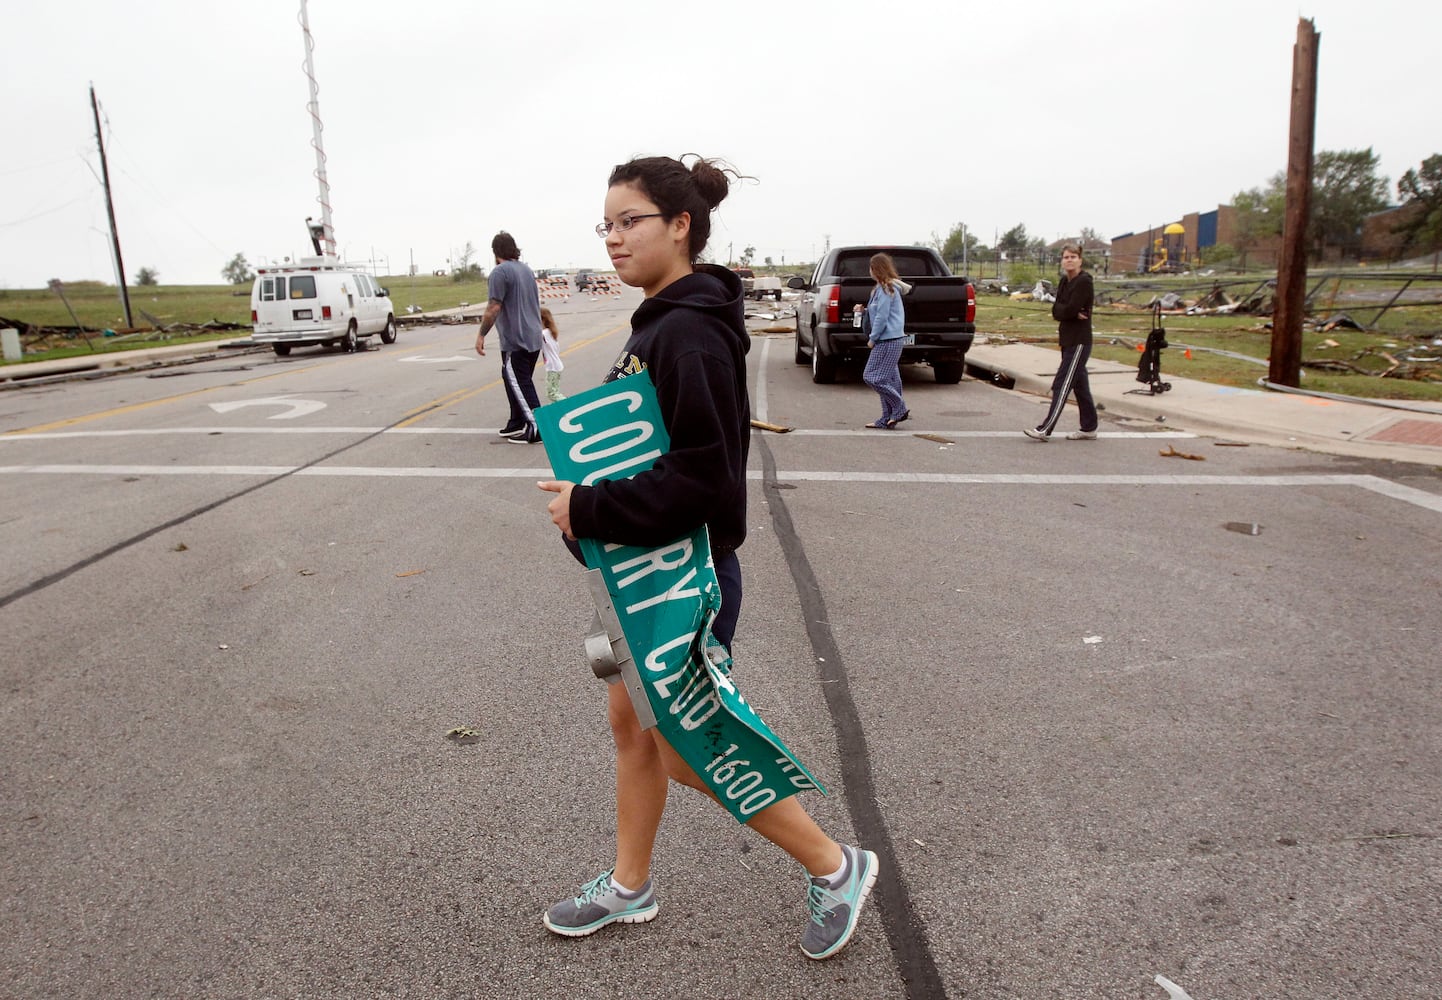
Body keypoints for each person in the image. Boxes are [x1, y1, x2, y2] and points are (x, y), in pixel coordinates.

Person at [535, 154, 878, 961]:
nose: (612, 239)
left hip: (685, 575)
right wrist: (587, 501)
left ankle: (835, 866)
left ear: (679, 226)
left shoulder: (684, 332)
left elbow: (704, 479)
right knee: (634, 728)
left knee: (693, 744)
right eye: (606, 224)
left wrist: (589, 506)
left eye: (630, 221)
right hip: (644, 568)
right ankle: (631, 885)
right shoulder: (663, 319)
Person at [475, 231, 544, 444]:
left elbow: (494, 307)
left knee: (519, 381)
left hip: (517, 339)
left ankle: (537, 428)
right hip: (532, 336)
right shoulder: (526, 270)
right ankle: (516, 421)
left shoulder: (500, 272)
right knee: (511, 377)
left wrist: (481, 334)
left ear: (496, 252)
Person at [1024, 243, 1098, 441]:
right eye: (1066, 257)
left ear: (1080, 260)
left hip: (1079, 341)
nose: (1069, 260)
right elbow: (1057, 310)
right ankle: (1089, 427)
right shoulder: (1065, 281)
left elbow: (1071, 308)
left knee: (1062, 384)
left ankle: (1045, 429)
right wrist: (1070, 312)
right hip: (1066, 339)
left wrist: (1069, 311)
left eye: (1073, 256)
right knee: (1080, 385)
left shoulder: (1084, 282)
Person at [856, 252, 909, 429]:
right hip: (890, 339)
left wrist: (872, 339)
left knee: (872, 376)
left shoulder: (886, 289)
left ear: (875, 269)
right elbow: (876, 313)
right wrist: (863, 311)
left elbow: (882, 317)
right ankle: (887, 419)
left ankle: (899, 407)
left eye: (871, 267)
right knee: (890, 380)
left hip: (888, 340)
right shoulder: (881, 289)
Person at [539, 306, 566, 402]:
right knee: (554, 391)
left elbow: (534, 334)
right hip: (555, 366)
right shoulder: (550, 332)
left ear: (543, 320)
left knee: (552, 393)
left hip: (553, 368)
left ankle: (566, 403)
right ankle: (560, 407)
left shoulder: (545, 333)